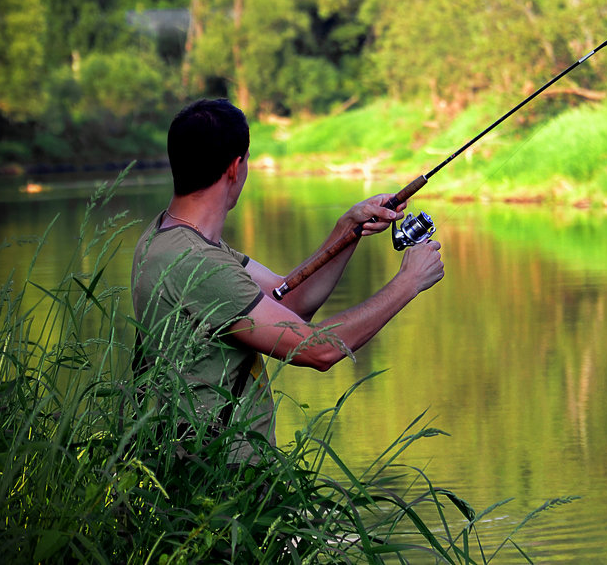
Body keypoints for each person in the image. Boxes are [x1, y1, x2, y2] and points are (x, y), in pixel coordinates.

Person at [130, 98, 443, 462]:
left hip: (207, 468)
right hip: (225, 481)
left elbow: (286, 302)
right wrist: (407, 282)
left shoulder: (168, 238)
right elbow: (316, 350)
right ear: (235, 168)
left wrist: (347, 230)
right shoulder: (198, 263)